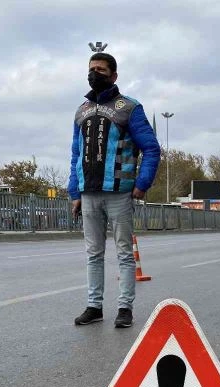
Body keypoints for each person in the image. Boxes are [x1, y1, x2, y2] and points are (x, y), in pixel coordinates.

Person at [69, 52, 161, 328]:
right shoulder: (81, 111)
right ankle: (94, 306)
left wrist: (141, 185)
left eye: (100, 69)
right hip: (89, 193)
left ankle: (124, 308)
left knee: (123, 252)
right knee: (93, 253)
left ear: (114, 75)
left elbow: (152, 148)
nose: (94, 73)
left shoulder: (129, 108)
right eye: (91, 69)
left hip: (120, 192)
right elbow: (76, 154)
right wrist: (74, 192)